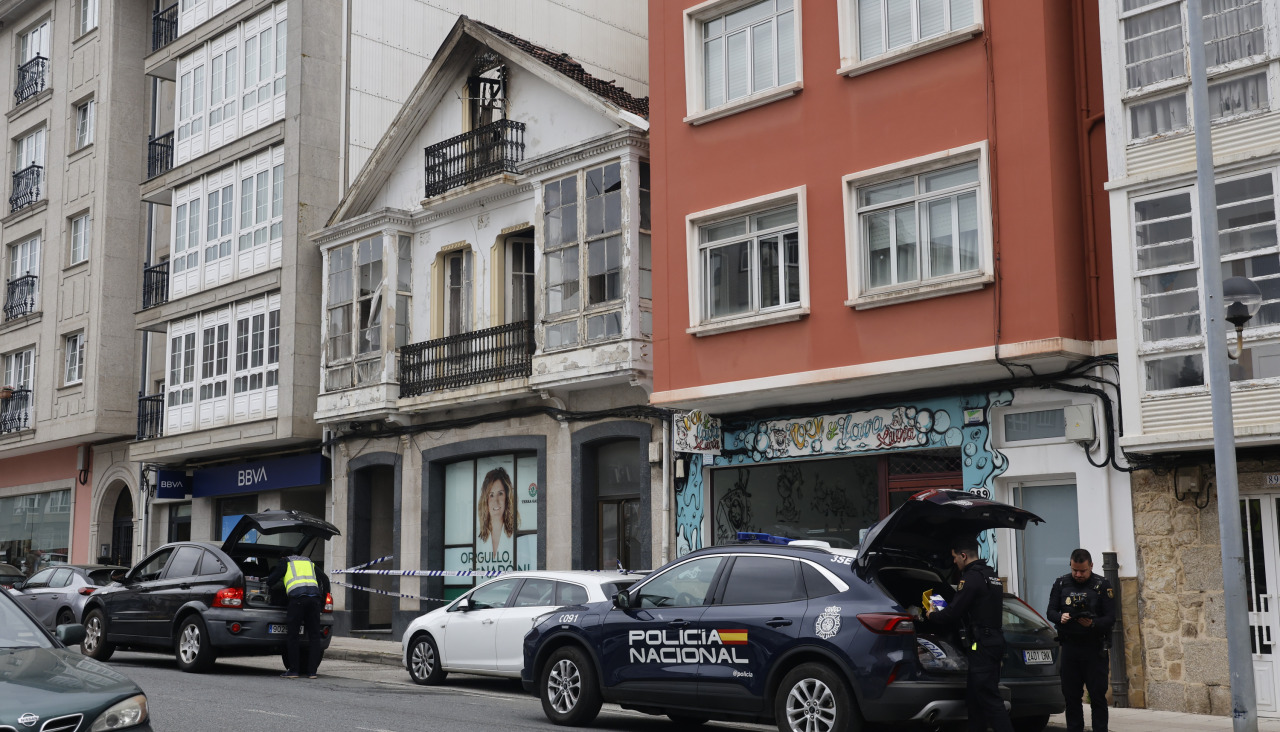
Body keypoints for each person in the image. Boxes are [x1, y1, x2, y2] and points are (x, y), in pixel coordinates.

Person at [926, 535, 1014, 732]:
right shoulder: (991, 575)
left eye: (955, 557)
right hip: (993, 641)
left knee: (989, 698)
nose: (954, 562)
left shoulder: (971, 578)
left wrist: (932, 615)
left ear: (964, 556)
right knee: (975, 700)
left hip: (982, 644)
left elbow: (953, 612)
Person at [1046, 548, 1115, 732]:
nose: (1078, 574)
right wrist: (1060, 617)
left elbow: (1111, 618)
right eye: (1074, 570)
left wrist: (1092, 623)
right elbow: (1050, 611)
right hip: (1070, 648)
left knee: (1097, 697)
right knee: (1071, 697)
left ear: (1091, 566)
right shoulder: (1061, 583)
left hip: (1094, 649)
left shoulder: (1102, 585)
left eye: (1082, 571)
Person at [267, 553, 325, 679]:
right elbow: (324, 579)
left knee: (293, 636)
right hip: (314, 600)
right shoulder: (309, 562)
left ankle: (294, 671)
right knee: (315, 636)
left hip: (298, 600)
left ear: (283, 556)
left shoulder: (286, 562)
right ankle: (312, 672)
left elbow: (271, 580)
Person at [477, 467, 519, 559]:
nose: (496, 501)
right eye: (491, 495)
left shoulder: (518, 535)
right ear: (485, 500)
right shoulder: (476, 537)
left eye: (500, 494)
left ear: (507, 498)